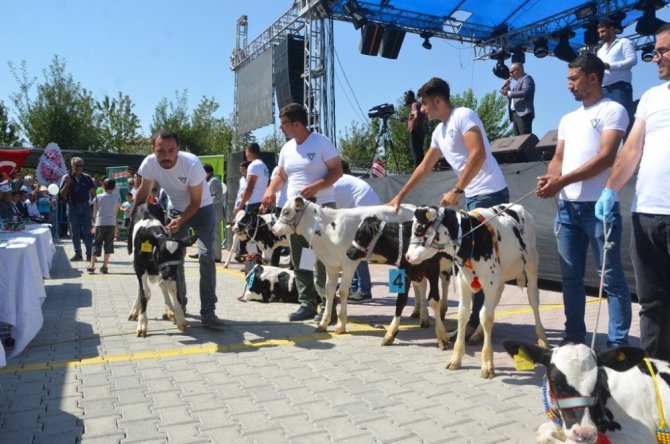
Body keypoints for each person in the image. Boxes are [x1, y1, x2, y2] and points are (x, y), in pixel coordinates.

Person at [388, 77, 509, 340]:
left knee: (477, 263)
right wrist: (400, 195)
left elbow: (478, 154)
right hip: (474, 197)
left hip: (490, 194)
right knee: (469, 263)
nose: (423, 111)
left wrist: (457, 189)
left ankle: (474, 324)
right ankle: (477, 321)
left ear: (439, 101)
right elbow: (423, 168)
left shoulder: (463, 116)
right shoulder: (438, 133)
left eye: (426, 106)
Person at [537, 52, 631, 347]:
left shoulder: (614, 110)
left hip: (599, 210)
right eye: (568, 79)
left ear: (593, 77)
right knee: (570, 279)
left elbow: (605, 158)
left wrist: (562, 180)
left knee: (612, 279)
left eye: (573, 79)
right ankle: (574, 338)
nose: (569, 85)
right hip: (566, 210)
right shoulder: (567, 119)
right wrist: (551, 177)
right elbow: (559, 158)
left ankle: (617, 346)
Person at [595, 24, 670, 360]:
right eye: (656, 50)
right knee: (652, 305)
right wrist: (610, 189)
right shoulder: (652, 97)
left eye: (664, 50)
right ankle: (659, 383)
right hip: (646, 216)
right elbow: (630, 151)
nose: (656, 57)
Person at [131, 128, 224, 329]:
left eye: (171, 150)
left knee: (206, 256)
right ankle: (179, 305)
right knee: (173, 258)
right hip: (177, 211)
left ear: (178, 149)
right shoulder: (149, 163)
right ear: (153, 149)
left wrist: (180, 220)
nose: (166, 156)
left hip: (202, 210)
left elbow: (196, 202)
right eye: (160, 151)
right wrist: (132, 218)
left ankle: (208, 312)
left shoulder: (191, 164)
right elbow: (143, 192)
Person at [260, 102, 343, 322]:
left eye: (284, 123)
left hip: (321, 209)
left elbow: (337, 170)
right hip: (295, 216)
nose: (281, 127)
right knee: (301, 259)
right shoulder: (287, 148)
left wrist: (317, 186)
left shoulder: (321, 142)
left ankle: (329, 307)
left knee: (323, 259)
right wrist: (270, 190)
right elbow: (280, 175)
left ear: (297, 124)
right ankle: (308, 303)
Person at [334, 160, 380, 302]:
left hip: (365, 209)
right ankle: (353, 287)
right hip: (364, 208)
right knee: (350, 250)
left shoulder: (332, 182)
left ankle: (364, 290)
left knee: (355, 249)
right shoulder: (340, 180)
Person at [597, 17, 637, 128]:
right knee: (607, 124)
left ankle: (630, 145)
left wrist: (609, 66)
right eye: (599, 33)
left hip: (620, 87)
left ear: (611, 29)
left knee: (624, 121)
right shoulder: (600, 50)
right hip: (603, 90)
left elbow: (632, 61)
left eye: (603, 31)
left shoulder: (624, 42)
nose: (600, 35)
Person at [59, 156, 96, 261]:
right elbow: (62, 195)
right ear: (72, 166)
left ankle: (89, 254)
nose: (79, 167)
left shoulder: (87, 177)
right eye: (77, 165)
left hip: (85, 207)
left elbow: (93, 193)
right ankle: (78, 254)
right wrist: (67, 183)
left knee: (87, 232)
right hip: (72, 207)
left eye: (81, 165)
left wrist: (93, 207)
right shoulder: (66, 177)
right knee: (74, 232)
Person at [88, 178, 120, 274]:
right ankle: (105, 266)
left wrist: (94, 223)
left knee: (96, 243)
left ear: (103, 186)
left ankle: (92, 265)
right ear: (114, 188)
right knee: (109, 244)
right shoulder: (116, 197)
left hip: (100, 223)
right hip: (111, 223)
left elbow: (94, 211)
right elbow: (116, 211)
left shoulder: (98, 197)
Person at [500, 62, 535, 136]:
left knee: (524, 139)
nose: (510, 74)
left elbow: (525, 93)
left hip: (523, 113)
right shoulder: (516, 84)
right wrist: (507, 88)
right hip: (515, 113)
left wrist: (508, 93)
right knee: (517, 141)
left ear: (519, 70)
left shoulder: (527, 78)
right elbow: (512, 97)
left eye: (512, 72)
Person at [203, 163, 224, 263]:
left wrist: (205, 201)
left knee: (215, 235)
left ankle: (217, 256)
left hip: (214, 213)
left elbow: (218, 198)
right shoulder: (210, 180)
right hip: (210, 213)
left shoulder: (214, 181)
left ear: (207, 172)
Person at [404, 90, 426, 167]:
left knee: (416, 153)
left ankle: (418, 170)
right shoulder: (419, 104)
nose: (405, 100)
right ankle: (422, 170)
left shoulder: (414, 105)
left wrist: (412, 128)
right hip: (421, 131)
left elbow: (416, 115)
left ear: (410, 97)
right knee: (420, 152)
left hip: (416, 132)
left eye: (406, 98)